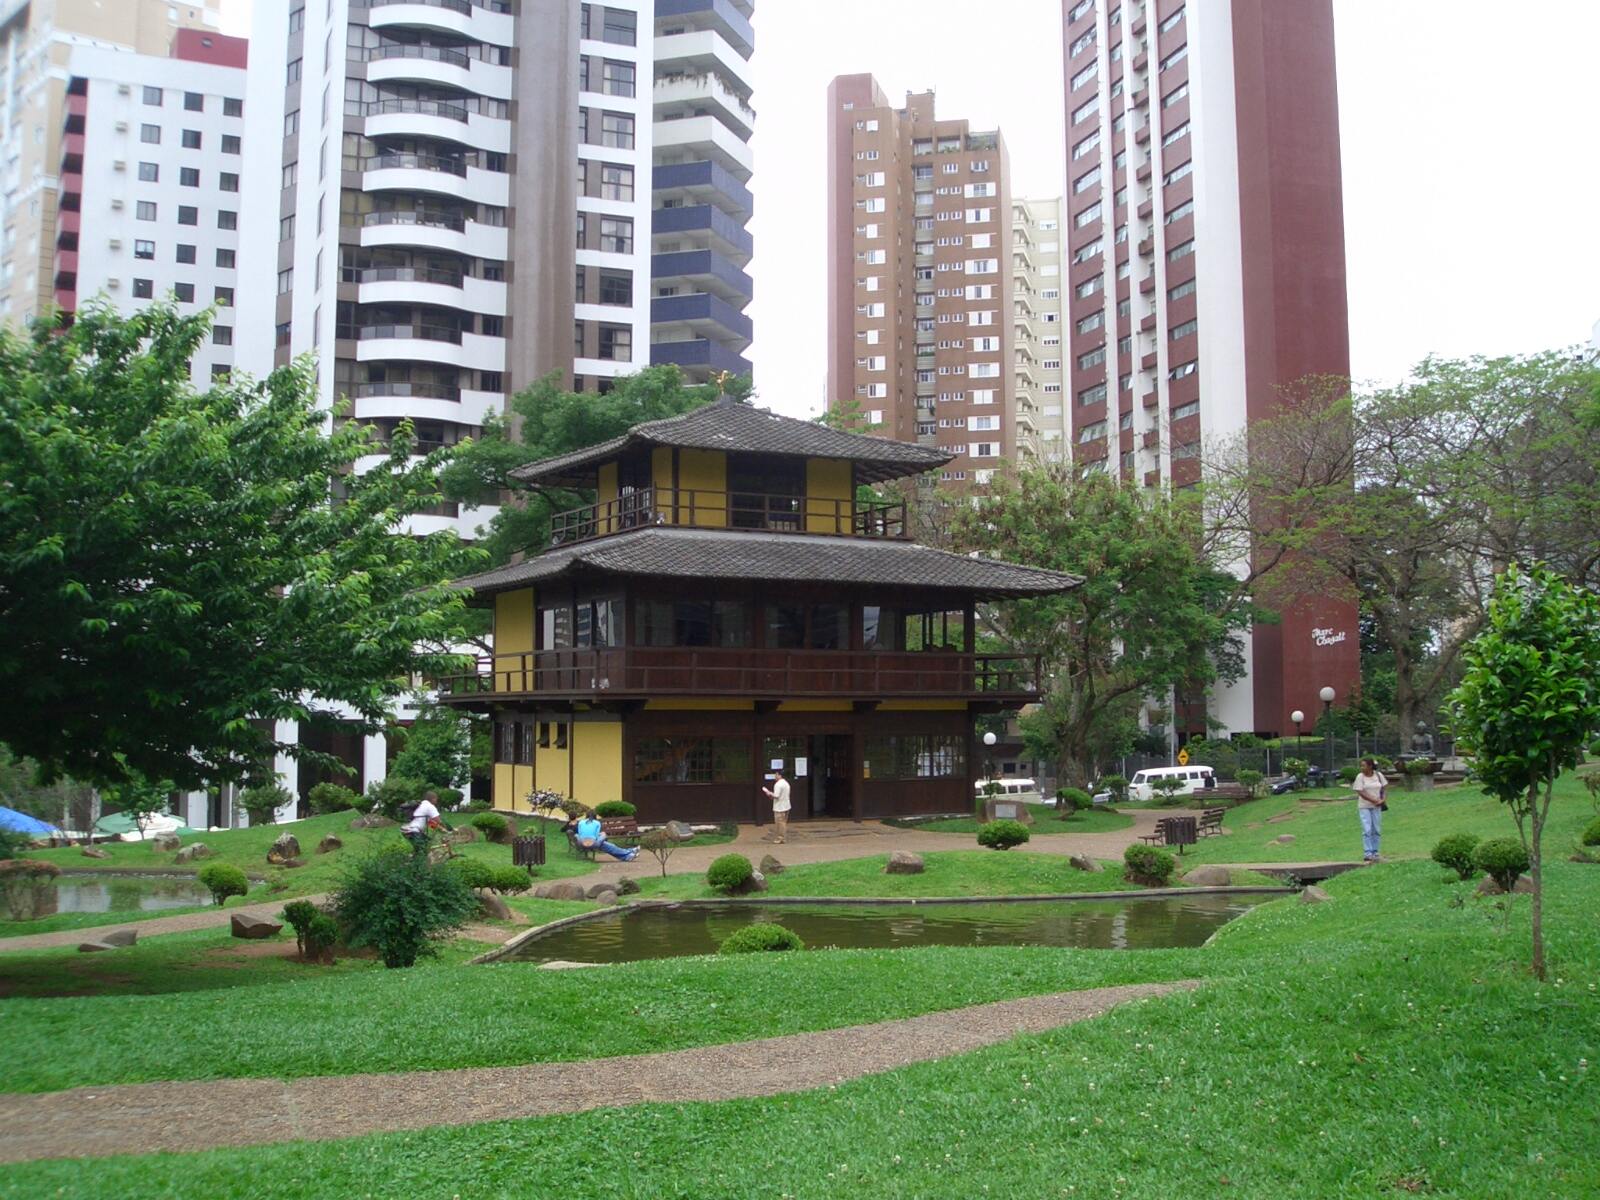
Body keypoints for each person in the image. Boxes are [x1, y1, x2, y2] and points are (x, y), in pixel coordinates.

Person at [1350, 757, 1387, 863]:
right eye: (1361, 766)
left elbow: (1384, 788)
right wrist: (1373, 800)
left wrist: (1382, 800)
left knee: (1376, 829)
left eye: (1364, 765)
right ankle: (1368, 853)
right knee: (1367, 829)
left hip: (1377, 806)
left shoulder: (1378, 775)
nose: (1362, 768)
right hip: (1365, 806)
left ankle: (1375, 852)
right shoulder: (1360, 777)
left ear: (1370, 766)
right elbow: (1360, 791)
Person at [402, 790, 448, 855]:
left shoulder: (421, 805)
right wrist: (449, 829)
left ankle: (412, 859)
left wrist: (442, 830)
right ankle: (413, 863)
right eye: (436, 799)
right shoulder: (430, 806)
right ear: (433, 799)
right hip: (413, 831)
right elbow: (439, 821)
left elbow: (431, 823)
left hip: (407, 830)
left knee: (427, 843)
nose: (436, 801)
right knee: (423, 850)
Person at [762, 766, 791, 844]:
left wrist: (769, 793)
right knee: (784, 823)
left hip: (779, 807)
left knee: (779, 823)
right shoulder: (786, 783)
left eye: (776, 774)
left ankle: (780, 838)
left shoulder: (778, 784)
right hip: (786, 805)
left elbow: (776, 795)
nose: (775, 776)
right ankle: (783, 838)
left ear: (779, 775)